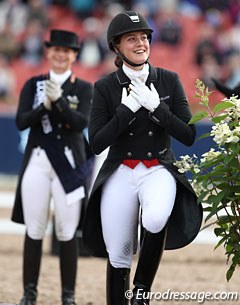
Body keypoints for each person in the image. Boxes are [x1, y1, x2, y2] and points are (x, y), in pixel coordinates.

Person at [82, 11, 203, 305]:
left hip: (158, 168)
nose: (140, 43)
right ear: (116, 47)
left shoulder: (169, 80)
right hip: (121, 169)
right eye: (132, 39)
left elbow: (188, 135)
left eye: (144, 38)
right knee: (119, 251)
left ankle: (141, 295)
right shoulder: (105, 87)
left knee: (156, 215)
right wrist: (124, 112)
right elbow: (97, 143)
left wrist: (157, 109)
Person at [11, 29, 93, 305]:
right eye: (56, 49)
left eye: (66, 51)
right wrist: (43, 107)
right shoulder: (33, 84)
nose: (60, 55)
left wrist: (58, 103)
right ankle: (29, 293)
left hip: (69, 163)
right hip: (38, 160)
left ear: (74, 55)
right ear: (48, 52)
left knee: (67, 230)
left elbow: (81, 123)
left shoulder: (83, 88)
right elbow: (21, 121)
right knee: (34, 228)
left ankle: (68, 295)